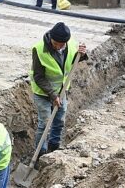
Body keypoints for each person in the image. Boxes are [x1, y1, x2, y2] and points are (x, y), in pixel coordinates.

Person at [30, 22, 87, 162]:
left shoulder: (71, 44)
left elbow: (73, 62)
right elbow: (38, 76)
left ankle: (54, 147)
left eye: (61, 45)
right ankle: (40, 155)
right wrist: (53, 95)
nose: (58, 47)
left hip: (62, 91)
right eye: (55, 44)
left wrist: (83, 54)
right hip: (43, 93)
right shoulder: (39, 49)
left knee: (59, 121)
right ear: (51, 38)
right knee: (44, 123)